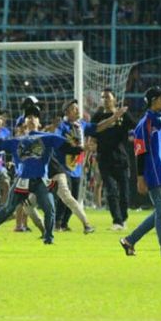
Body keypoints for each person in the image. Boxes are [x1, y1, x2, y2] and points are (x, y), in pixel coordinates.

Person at [0, 105, 83, 245]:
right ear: (24, 122)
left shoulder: (49, 138)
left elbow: (70, 149)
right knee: (8, 209)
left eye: (35, 116)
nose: (32, 119)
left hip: (40, 180)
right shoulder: (16, 141)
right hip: (22, 181)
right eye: (28, 117)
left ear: (39, 122)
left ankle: (48, 239)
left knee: (49, 208)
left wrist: (79, 146)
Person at [119, 87, 161, 257]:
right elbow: (140, 152)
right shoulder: (144, 124)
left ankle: (130, 240)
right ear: (154, 100)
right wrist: (140, 178)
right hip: (153, 173)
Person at [54, 99, 127, 233]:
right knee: (66, 197)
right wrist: (80, 148)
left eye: (77, 107)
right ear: (67, 112)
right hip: (63, 167)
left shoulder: (81, 125)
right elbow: (59, 144)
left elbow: (98, 127)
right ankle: (57, 223)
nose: (77, 110)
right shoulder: (62, 127)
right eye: (74, 108)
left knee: (74, 197)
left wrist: (114, 117)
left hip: (76, 168)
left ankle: (63, 224)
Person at [91, 88, 136, 231]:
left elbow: (136, 126)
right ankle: (117, 221)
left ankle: (123, 219)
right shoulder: (97, 116)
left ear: (114, 99)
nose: (105, 100)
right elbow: (93, 133)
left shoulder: (123, 114)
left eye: (108, 97)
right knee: (111, 191)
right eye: (103, 97)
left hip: (121, 159)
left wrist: (135, 136)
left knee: (124, 193)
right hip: (104, 159)